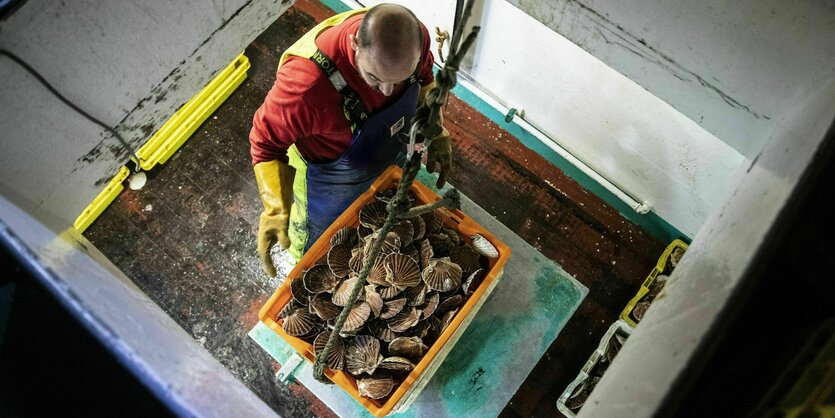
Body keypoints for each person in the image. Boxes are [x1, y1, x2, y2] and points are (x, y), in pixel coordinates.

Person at [249, 4, 453, 277]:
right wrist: (276, 208)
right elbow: (265, 145)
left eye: (399, 81)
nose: (387, 91)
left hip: (387, 150)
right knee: (316, 248)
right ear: (355, 43)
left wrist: (436, 129)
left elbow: (426, 82)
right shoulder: (305, 89)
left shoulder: (414, 39)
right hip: (327, 179)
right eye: (375, 78)